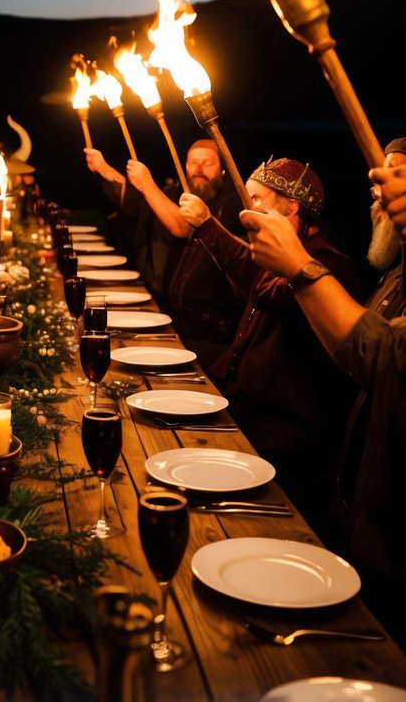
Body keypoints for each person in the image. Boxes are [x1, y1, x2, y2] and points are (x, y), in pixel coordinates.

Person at [241, 138, 406, 647]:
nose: (378, 195)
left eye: (397, 180)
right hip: (353, 505)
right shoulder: (393, 276)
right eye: (381, 182)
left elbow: (385, 359)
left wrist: (297, 267)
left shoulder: (330, 262)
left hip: (388, 532)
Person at [179, 156, 365, 534]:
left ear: (291, 206)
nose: (248, 210)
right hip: (241, 420)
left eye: (258, 199)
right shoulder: (278, 257)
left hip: (283, 450)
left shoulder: (329, 268)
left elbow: (268, 289)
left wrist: (207, 226)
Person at [84, 139, 242, 366]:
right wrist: (102, 167)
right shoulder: (175, 190)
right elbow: (135, 202)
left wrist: (148, 184)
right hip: (167, 316)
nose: (198, 169)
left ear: (223, 168)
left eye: (207, 163)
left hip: (210, 335)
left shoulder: (233, 202)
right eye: (192, 163)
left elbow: (183, 226)